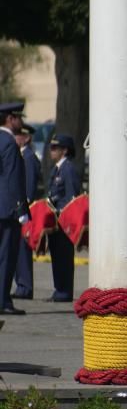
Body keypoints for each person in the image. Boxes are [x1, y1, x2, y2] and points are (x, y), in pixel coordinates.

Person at [0, 103, 28, 315]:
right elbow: (12, 179)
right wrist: (20, 209)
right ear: (10, 119)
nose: (21, 121)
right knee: (6, 257)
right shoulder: (9, 142)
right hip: (7, 210)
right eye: (18, 117)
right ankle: (2, 301)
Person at [46, 134, 81, 303]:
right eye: (51, 147)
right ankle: (59, 288)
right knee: (56, 256)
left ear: (64, 150)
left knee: (64, 257)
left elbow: (72, 197)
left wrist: (60, 212)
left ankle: (65, 290)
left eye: (55, 148)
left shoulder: (68, 169)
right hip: (54, 220)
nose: (51, 151)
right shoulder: (57, 169)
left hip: (63, 221)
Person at [13, 123, 41, 301]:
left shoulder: (28, 157)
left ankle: (25, 286)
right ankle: (21, 285)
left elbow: (29, 187)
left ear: (26, 137)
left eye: (18, 135)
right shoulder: (21, 155)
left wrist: (25, 206)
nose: (15, 138)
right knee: (18, 250)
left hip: (25, 209)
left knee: (23, 249)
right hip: (19, 208)